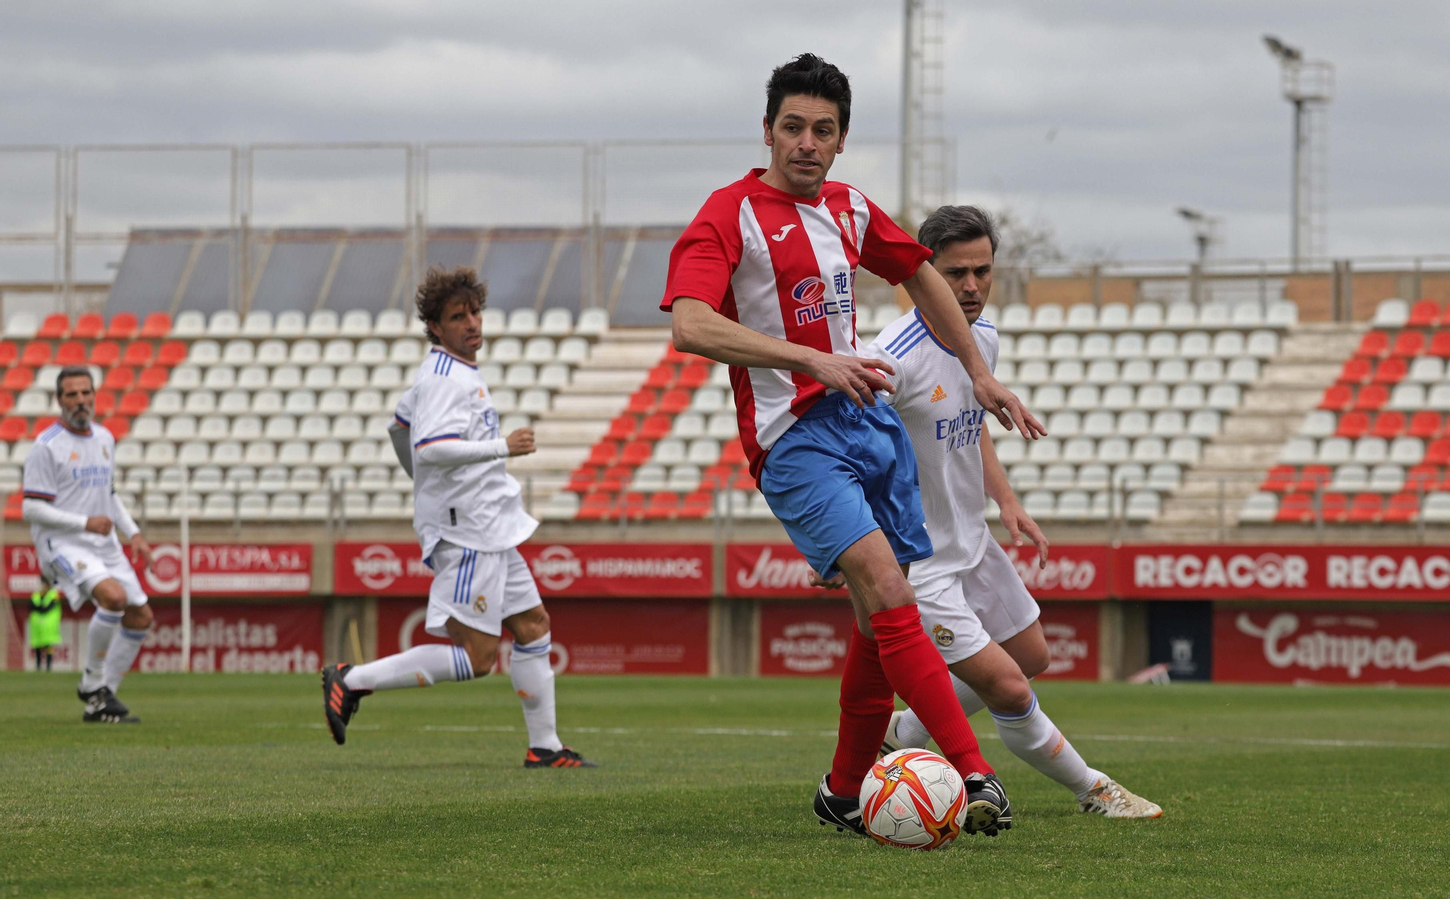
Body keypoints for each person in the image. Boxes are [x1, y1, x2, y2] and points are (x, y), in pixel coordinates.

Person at [664, 54, 1043, 837]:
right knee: (885, 584)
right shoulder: (728, 213)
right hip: (794, 436)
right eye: (793, 127)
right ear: (767, 130)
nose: (806, 142)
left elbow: (921, 274)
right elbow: (690, 324)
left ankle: (842, 790)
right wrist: (807, 357)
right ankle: (977, 772)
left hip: (867, 425)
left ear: (840, 142)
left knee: (879, 617)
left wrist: (977, 372)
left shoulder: (849, 207)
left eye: (823, 130)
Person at [854, 205, 1160, 817]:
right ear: (922, 274)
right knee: (1010, 687)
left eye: (982, 271)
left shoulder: (981, 339)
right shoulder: (892, 360)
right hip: (923, 562)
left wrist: (1007, 499)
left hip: (973, 538)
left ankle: (907, 733)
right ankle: (1093, 790)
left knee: (1032, 655)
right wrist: (846, 546)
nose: (970, 287)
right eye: (955, 273)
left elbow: (974, 424)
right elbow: (855, 455)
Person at [321, 266, 594, 769]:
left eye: (474, 312)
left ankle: (546, 748)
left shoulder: (449, 372)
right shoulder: (447, 379)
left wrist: (423, 486)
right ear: (435, 327)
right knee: (477, 658)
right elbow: (430, 446)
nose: (472, 323)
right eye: (457, 316)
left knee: (534, 627)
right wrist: (502, 447)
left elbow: (399, 428)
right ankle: (352, 679)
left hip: (489, 526)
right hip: (468, 530)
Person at [22, 366, 153, 723]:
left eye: (85, 393)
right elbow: (30, 506)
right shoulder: (46, 447)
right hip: (63, 542)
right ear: (59, 400)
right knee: (113, 598)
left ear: (95, 395)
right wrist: (85, 523)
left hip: (103, 541)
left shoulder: (105, 438)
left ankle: (99, 700)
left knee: (141, 617)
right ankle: (92, 683)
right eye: (71, 394)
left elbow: (108, 495)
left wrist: (135, 533)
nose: (80, 401)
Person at [29, 580, 63, 672]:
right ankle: (38, 665)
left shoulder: (53, 594)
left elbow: (49, 607)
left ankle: (48, 666)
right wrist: (40, 608)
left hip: (49, 625)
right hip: (37, 625)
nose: (44, 585)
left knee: (49, 644)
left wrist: (41, 608)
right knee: (37, 644)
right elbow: (31, 606)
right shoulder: (36, 595)